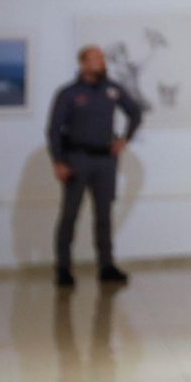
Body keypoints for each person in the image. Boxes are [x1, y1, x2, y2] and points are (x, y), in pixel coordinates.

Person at [47, 44, 143, 288]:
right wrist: (58, 161)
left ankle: (106, 266)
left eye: (102, 59)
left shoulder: (111, 89)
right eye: (96, 59)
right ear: (83, 63)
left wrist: (124, 138)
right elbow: (54, 130)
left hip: (105, 161)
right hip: (77, 159)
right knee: (70, 214)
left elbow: (135, 112)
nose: (102, 63)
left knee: (103, 215)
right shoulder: (68, 93)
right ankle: (63, 269)